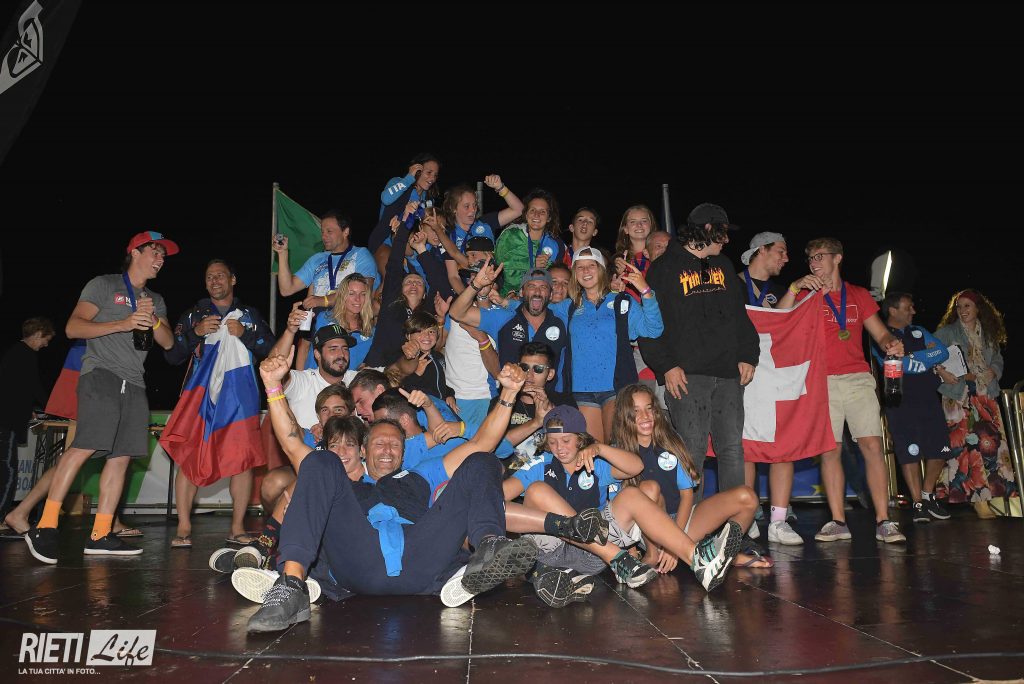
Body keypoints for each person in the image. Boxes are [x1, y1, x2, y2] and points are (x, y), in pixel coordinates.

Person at [243, 359, 540, 631]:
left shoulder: (419, 474)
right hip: (358, 559)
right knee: (319, 460)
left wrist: (509, 393)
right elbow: (292, 443)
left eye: (395, 445)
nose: (387, 449)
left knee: (482, 460)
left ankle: (489, 548)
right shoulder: (344, 483)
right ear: (363, 450)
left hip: (422, 554)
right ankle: (291, 586)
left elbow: (483, 442)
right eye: (379, 444)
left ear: (404, 452)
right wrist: (272, 385)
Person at [24, 232, 177, 564]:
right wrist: (123, 323)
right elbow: (73, 328)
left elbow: (167, 343)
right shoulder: (104, 285)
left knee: (121, 457)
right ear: (134, 252)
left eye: (164, 255)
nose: (160, 259)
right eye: (155, 251)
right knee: (84, 446)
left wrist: (152, 319)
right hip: (100, 375)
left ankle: (101, 534)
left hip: (134, 383)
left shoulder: (155, 298)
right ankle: (45, 526)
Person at [504, 405, 744, 593]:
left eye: (566, 441)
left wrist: (600, 448)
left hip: (594, 556)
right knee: (537, 490)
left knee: (631, 494)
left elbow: (636, 467)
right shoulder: (540, 465)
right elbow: (498, 497)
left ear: (580, 438)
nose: (559, 448)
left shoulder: (596, 463)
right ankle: (605, 561)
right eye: (553, 442)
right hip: (552, 550)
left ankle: (697, 560)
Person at [637, 203, 758, 502]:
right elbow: (648, 325)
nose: (726, 239)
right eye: (722, 232)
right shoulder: (663, 268)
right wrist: (666, 366)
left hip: (728, 374)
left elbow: (740, 317)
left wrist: (748, 354)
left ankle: (734, 521)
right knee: (692, 450)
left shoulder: (724, 266)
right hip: (687, 376)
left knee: (732, 449)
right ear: (707, 229)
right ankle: (690, 521)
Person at [790, 237, 907, 544]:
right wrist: (796, 289)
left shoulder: (857, 295)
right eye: (810, 258)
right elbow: (780, 320)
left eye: (819, 256)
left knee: (872, 446)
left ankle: (884, 521)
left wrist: (891, 344)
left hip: (857, 379)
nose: (814, 263)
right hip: (821, 381)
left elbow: (880, 333)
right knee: (830, 452)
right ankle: (838, 521)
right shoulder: (805, 294)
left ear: (837, 258)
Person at [164, 259, 275, 548]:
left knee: (242, 462)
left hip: (240, 400)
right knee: (189, 458)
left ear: (233, 279)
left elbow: (272, 351)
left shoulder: (249, 315)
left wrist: (246, 334)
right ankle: (184, 527)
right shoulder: (194, 315)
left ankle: (237, 527)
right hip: (199, 399)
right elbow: (172, 355)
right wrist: (196, 333)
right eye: (209, 277)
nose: (215, 281)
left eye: (220, 276)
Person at [611, 384, 770, 569]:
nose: (645, 416)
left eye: (649, 408)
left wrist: (674, 545)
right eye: (636, 411)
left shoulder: (671, 441)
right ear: (624, 416)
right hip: (647, 532)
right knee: (649, 488)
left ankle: (724, 555)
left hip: (681, 520)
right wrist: (631, 550)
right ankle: (654, 555)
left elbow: (687, 495)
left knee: (747, 497)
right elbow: (619, 511)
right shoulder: (617, 453)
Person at [735, 232, 803, 544]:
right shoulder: (730, 284)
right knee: (745, 448)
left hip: (774, 376)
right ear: (761, 250)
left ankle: (778, 521)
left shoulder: (780, 291)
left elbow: (783, 322)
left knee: (782, 444)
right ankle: (746, 517)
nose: (786, 259)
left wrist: (794, 291)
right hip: (741, 374)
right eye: (781, 251)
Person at [872, 292, 951, 523]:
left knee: (940, 449)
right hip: (900, 402)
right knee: (910, 453)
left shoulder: (919, 331)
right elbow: (894, 363)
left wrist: (911, 356)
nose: (913, 312)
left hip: (929, 399)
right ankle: (918, 504)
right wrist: (923, 359)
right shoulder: (881, 336)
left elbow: (942, 352)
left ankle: (928, 495)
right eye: (908, 308)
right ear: (893, 310)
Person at [933, 289, 1016, 508]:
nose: (962, 310)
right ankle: (974, 500)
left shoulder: (987, 334)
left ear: (978, 308)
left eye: (967, 306)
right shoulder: (947, 332)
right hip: (958, 394)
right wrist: (942, 372)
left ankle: (995, 498)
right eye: (959, 307)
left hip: (985, 394)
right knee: (964, 447)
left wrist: (994, 371)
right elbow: (930, 356)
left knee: (991, 446)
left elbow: (997, 358)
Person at [450, 267, 571, 394]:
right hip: (508, 399)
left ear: (550, 295)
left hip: (548, 400)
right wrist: (476, 285)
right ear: (521, 292)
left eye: (543, 287)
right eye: (531, 286)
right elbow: (456, 313)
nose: (537, 291)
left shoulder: (563, 320)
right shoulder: (504, 317)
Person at [0, 318, 54, 524]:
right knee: (8, 471)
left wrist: (27, 409)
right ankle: (2, 518)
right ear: (38, 334)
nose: (46, 345)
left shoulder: (14, 352)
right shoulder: (25, 354)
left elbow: (15, 387)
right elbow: (33, 386)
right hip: (6, 423)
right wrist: (52, 408)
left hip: (7, 419)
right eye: (46, 339)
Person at [440, 176, 524, 293]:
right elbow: (453, 276)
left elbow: (519, 210)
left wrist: (501, 188)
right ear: (453, 208)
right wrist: (467, 298)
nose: (472, 210)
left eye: (474, 205)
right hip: (466, 288)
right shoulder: (449, 235)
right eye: (466, 206)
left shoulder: (486, 223)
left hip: (492, 284)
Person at [494, 188, 566, 295]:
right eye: (532, 210)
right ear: (526, 214)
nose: (537, 215)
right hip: (508, 298)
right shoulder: (510, 236)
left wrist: (539, 271)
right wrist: (533, 269)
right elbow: (499, 271)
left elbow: (555, 281)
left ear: (549, 218)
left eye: (542, 212)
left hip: (540, 300)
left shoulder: (556, 245)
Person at [303, 273, 375, 374]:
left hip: (345, 383)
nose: (357, 299)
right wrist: (300, 377)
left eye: (362, 294)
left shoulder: (370, 331)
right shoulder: (322, 318)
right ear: (342, 295)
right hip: (312, 379)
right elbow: (303, 347)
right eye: (351, 293)